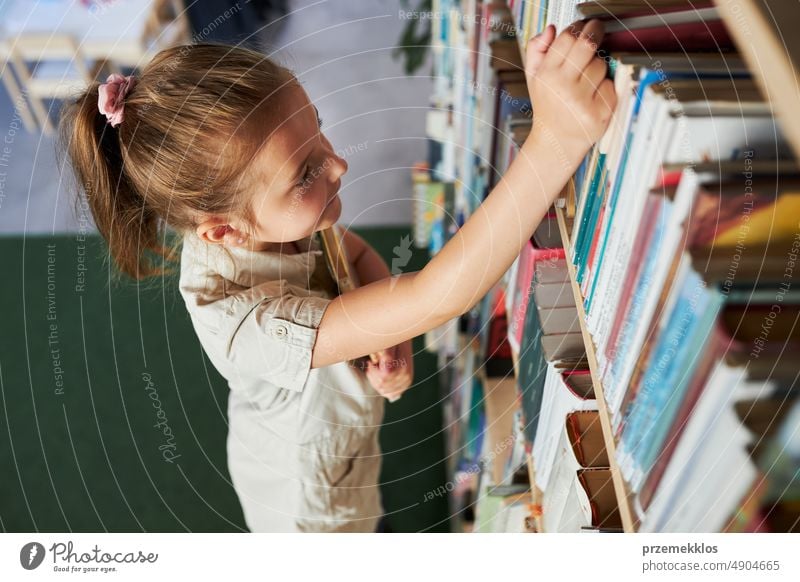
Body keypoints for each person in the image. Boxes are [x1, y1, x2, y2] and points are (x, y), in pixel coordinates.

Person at [57, 20, 616, 532]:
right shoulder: (239, 323)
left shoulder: (276, 219)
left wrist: (387, 330)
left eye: (317, 128)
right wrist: (554, 143)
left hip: (345, 454)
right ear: (223, 232)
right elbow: (433, 296)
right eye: (304, 175)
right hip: (313, 515)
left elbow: (350, 256)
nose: (339, 164)